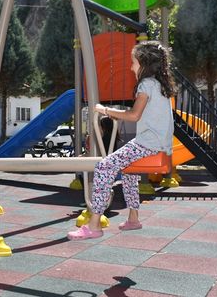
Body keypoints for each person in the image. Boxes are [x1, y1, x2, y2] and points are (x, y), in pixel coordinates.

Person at [68, 41, 175, 240]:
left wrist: (105, 110)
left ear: (144, 64)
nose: (131, 66)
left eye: (134, 62)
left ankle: (94, 225)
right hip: (158, 144)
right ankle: (133, 219)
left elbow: (134, 115)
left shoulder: (146, 84)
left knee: (104, 166)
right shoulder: (160, 85)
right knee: (128, 171)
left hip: (148, 143)